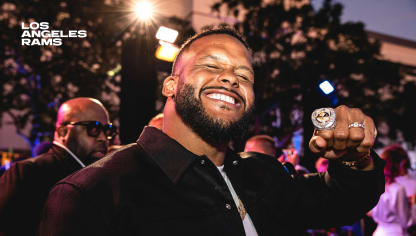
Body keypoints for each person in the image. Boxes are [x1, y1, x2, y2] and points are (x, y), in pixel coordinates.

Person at [39, 27, 385, 236]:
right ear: (171, 85)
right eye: (211, 65)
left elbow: (341, 200)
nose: (232, 78)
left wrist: (355, 158)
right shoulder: (93, 193)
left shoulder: (264, 174)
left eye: (244, 75)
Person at [0, 97, 116, 236]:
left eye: (108, 129)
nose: (103, 137)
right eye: (93, 128)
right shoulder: (29, 172)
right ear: (63, 132)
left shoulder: (100, 175)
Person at [371, 144, 413, 235]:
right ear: (399, 164)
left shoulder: (375, 186)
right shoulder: (398, 189)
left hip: (379, 232)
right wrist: (411, 207)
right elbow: (404, 221)